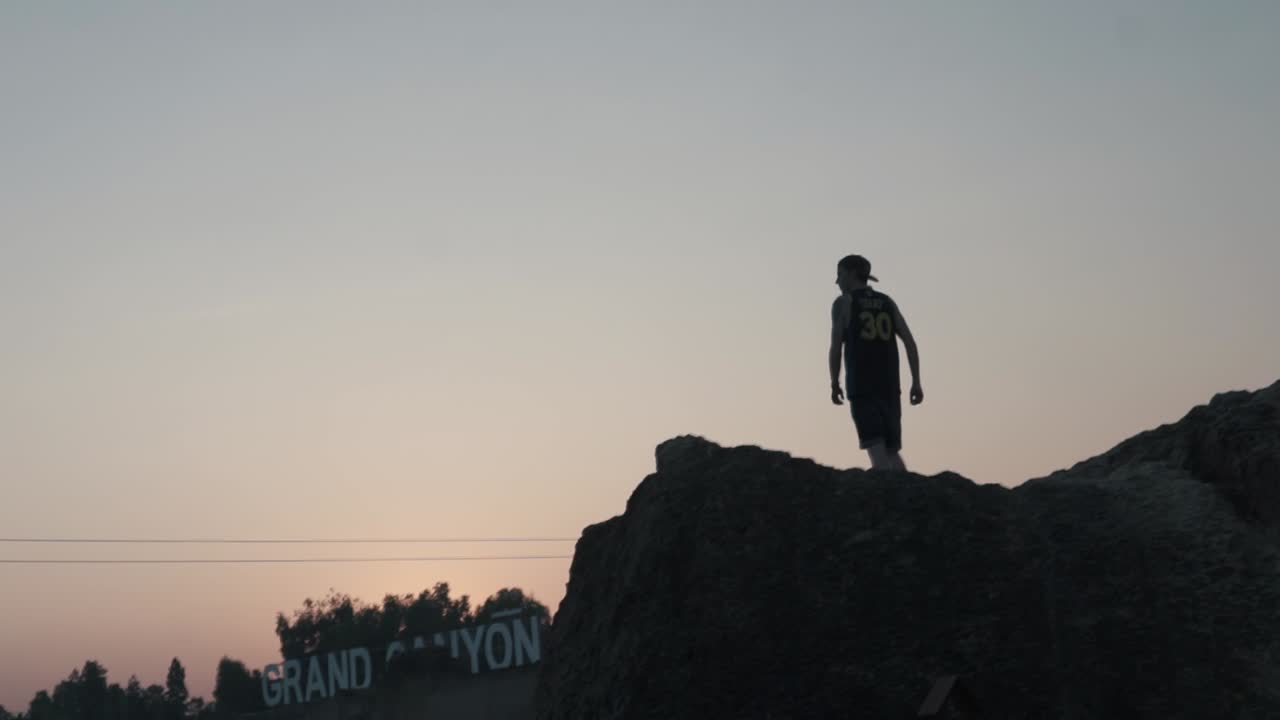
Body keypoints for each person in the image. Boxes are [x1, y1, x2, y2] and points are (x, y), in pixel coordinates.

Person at [828, 254, 923, 470]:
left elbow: (835, 347)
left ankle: (887, 498)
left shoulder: (844, 303)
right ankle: (907, 494)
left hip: (862, 385)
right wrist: (916, 381)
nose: (837, 281)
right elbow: (909, 341)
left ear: (851, 274)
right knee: (892, 450)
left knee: (876, 449)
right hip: (890, 386)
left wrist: (834, 382)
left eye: (839, 275)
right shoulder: (887, 302)